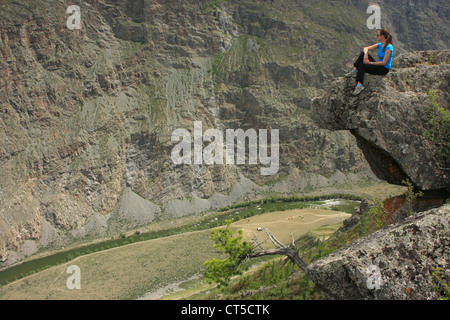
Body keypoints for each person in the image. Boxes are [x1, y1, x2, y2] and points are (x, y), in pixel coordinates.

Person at [347, 29, 394, 96]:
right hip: (378, 65)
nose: (376, 36)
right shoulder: (380, 45)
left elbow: (383, 62)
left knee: (361, 65)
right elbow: (366, 48)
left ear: (382, 36)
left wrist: (370, 63)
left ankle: (359, 85)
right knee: (363, 53)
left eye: (377, 35)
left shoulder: (389, 47)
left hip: (383, 69)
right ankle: (354, 70)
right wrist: (366, 54)